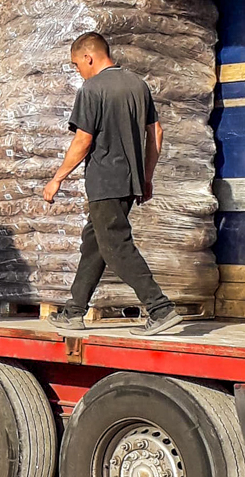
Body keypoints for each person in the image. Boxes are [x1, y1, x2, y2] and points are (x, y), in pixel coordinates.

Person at [41, 32, 182, 337]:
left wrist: (57, 178)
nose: (78, 70)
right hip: (128, 181)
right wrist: (145, 176)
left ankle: (160, 309)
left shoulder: (92, 89)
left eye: (76, 64)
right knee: (95, 244)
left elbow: (83, 139)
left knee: (116, 246)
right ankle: (75, 311)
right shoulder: (137, 84)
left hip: (105, 181)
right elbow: (155, 133)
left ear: (88, 57)